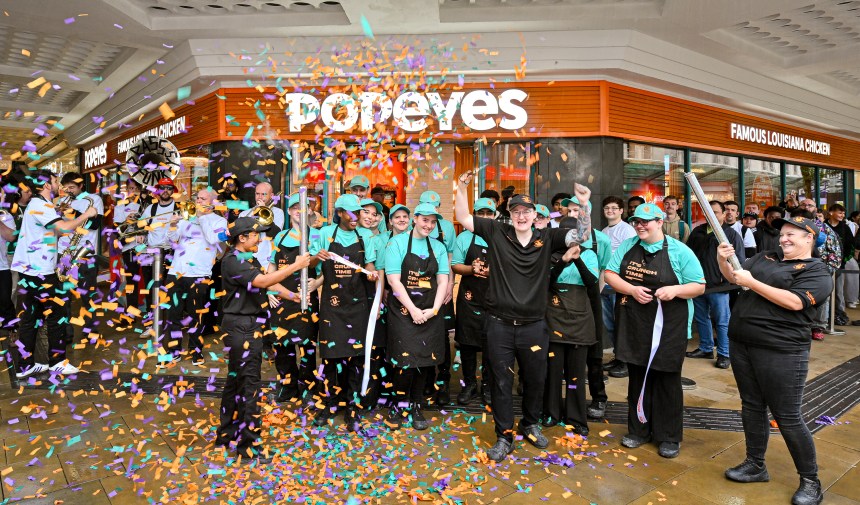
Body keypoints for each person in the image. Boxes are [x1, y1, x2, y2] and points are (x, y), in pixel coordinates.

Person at [454, 172, 591, 462]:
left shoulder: (548, 236)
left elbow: (581, 236)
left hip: (534, 327)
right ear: (509, 214)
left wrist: (584, 205)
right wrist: (462, 186)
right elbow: (463, 216)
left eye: (526, 211)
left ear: (535, 215)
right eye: (516, 211)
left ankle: (530, 424)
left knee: (535, 379)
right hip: (498, 325)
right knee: (501, 381)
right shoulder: (496, 232)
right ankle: (504, 436)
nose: (521, 216)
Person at [718, 215, 831, 505]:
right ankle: (755, 464)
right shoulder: (765, 256)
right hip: (742, 343)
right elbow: (734, 277)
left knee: (788, 416)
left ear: (810, 238)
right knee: (752, 406)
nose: (784, 238)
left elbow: (795, 302)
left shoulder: (817, 271)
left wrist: (753, 283)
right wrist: (723, 260)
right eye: (782, 233)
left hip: (782, 351)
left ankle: (811, 481)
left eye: (793, 234)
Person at [605, 203, 705, 459]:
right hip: (635, 323)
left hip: (669, 326)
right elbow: (609, 274)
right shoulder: (628, 246)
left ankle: (668, 436)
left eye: (645, 222)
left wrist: (675, 290)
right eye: (637, 221)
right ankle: (638, 431)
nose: (640, 226)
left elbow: (699, 285)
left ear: (659, 222)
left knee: (666, 380)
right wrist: (631, 290)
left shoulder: (680, 251)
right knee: (637, 376)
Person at [215, 216, 311, 463]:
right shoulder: (233, 261)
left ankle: (225, 436)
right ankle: (248, 449)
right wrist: (296, 266)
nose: (261, 238)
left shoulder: (247, 258)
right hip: (242, 328)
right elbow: (264, 281)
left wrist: (293, 296)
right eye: (257, 235)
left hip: (247, 325)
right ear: (242, 238)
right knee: (249, 386)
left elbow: (267, 285)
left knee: (235, 382)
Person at [11, 169, 98, 378]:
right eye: (56, 180)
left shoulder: (38, 205)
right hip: (41, 272)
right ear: (47, 185)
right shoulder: (41, 206)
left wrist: (57, 211)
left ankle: (25, 366)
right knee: (56, 317)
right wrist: (87, 214)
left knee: (30, 319)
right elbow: (65, 229)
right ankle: (57, 362)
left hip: (30, 270)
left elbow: (52, 229)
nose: (59, 184)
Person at [309, 194, 379, 432]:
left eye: (358, 213)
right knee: (330, 357)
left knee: (356, 359)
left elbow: (369, 264)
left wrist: (371, 273)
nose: (356, 217)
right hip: (332, 306)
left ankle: (352, 406)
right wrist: (314, 258)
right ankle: (329, 403)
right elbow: (307, 264)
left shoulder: (366, 236)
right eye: (351, 213)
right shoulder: (324, 234)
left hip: (357, 306)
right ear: (339, 213)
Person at [383, 203, 450, 430]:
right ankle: (398, 404)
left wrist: (434, 309)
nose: (429, 225)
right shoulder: (396, 244)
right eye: (425, 220)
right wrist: (412, 310)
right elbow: (393, 281)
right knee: (404, 362)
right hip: (403, 312)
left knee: (424, 360)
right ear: (415, 219)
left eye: (433, 222)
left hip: (430, 311)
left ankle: (416, 404)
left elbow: (442, 281)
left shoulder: (439, 247)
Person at [542, 212, 600, 436]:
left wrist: (578, 259)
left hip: (580, 321)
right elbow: (546, 281)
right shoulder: (549, 254)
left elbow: (591, 282)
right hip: (554, 318)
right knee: (553, 371)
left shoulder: (590, 255)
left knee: (576, 373)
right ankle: (551, 413)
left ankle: (576, 417)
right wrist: (563, 260)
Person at [160, 188, 228, 367]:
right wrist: (173, 225)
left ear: (213, 203)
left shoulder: (219, 221)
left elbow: (213, 240)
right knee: (173, 314)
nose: (198, 201)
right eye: (197, 198)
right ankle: (173, 351)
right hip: (176, 271)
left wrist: (202, 217)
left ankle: (196, 350)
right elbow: (171, 241)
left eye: (203, 198)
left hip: (199, 273)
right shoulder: (185, 218)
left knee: (195, 315)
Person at [268, 193, 322, 402]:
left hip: (307, 300)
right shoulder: (280, 237)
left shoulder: (317, 236)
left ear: (310, 211)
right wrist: (270, 289)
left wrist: (317, 283)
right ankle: (287, 385)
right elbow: (271, 267)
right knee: (283, 346)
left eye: (304, 207)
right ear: (290, 212)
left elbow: (327, 268)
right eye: (296, 208)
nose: (300, 211)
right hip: (282, 298)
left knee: (308, 345)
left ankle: (307, 385)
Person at [564, 197, 612, 420]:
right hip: (563, 302)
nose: (573, 214)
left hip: (590, 299)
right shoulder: (561, 236)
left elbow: (603, 270)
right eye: (570, 210)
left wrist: (595, 295)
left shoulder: (600, 239)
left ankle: (599, 398)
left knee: (594, 353)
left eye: (578, 211)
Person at [685, 201, 745, 369]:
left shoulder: (731, 235)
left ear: (724, 214)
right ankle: (705, 348)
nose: (711, 215)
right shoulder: (697, 231)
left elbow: (739, 261)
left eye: (716, 212)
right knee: (701, 318)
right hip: (698, 284)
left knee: (722, 321)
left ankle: (724, 354)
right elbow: (688, 257)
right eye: (708, 212)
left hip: (720, 287)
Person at [452, 198, 495, 406]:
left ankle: (487, 385)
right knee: (467, 344)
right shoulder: (464, 238)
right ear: (474, 215)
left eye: (489, 213)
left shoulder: (501, 237)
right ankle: (468, 384)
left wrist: (491, 271)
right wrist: (472, 269)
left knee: (492, 345)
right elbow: (456, 265)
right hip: (469, 299)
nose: (485, 217)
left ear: (494, 215)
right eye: (481, 213)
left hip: (494, 300)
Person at [418, 190, 457, 405]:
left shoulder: (446, 228)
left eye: (434, 207)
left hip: (440, 288)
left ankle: (443, 381)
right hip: (418, 291)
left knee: (442, 336)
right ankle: (425, 380)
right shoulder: (412, 233)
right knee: (421, 334)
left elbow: (449, 259)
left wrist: (450, 284)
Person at [601, 195, 637, 378]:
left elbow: (629, 257)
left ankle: (626, 361)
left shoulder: (627, 230)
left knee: (622, 324)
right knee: (610, 324)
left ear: (621, 211)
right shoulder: (604, 231)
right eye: (607, 208)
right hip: (605, 284)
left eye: (614, 208)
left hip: (620, 284)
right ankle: (618, 356)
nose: (610, 211)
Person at [58, 172, 105, 306]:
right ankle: (64, 326)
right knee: (63, 293)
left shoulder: (94, 199)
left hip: (85, 253)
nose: (69, 191)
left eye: (72, 187)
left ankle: (91, 326)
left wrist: (73, 213)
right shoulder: (63, 201)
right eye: (66, 188)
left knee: (87, 293)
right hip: (65, 250)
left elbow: (94, 225)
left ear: (81, 185)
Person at [137, 177, 178, 319]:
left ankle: (168, 321)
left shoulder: (179, 208)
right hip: (151, 252)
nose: (165, 191)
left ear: (173, 191)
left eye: (168, 188)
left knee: (170, 288)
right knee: (150, 288)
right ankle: (151, 320)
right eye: (163, 188)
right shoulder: (151, 208)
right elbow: (141, 225)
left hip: (171, 253)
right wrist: (141, 234)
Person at [238, 181, 285, 270]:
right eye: (257, 194)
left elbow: (274, 234)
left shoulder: (278, 212)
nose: (259, 197)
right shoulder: (244, 214)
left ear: (271, 195)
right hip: (247, 260)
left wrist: (263, 211)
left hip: (267, 262)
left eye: (263, 194)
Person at [113, 178, 145, 310]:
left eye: (137, 189)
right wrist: (126, 222)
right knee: (131, 280)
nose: (134, 191)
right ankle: (131, 308)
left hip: (146, 247)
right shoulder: (120, 206)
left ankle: (150, 310)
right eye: (132, 188)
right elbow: (117, 230)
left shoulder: (146, 205)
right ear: (127, 190)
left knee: (149, 279)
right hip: (129, 248)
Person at [825, 204, 857, 319]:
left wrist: (843, 260)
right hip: (823, 264)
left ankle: (840, 314)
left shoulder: (845, 227)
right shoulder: (823, 226)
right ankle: (825, 316)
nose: (842, 215)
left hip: (839, 264)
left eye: (843, 213)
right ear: (831, 212)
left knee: (838, 291)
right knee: (824, 290)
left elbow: (850, 245)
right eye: (839, 212)